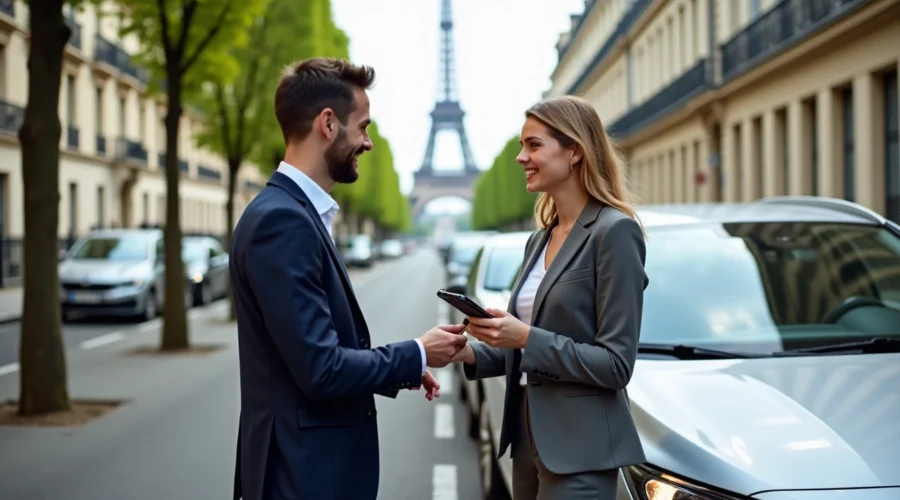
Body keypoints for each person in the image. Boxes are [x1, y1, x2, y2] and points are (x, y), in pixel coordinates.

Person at [229, 58, 468, 500]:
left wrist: (408, 367)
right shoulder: (284, 222)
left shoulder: (291, 213)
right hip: (304, 477)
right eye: (363, 127)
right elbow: (321, 369)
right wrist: (417, 353)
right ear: (328, 124)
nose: (368, 143)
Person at [453, 95, 648, 499]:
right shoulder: (539, 240)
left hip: (580, 452)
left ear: (574, 151)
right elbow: (529, 353)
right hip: (527, 442)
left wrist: (524, 336)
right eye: (522, 145)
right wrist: (469, 353)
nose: (521, 157)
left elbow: (616, 364)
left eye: (534, 145)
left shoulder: (614, 233)